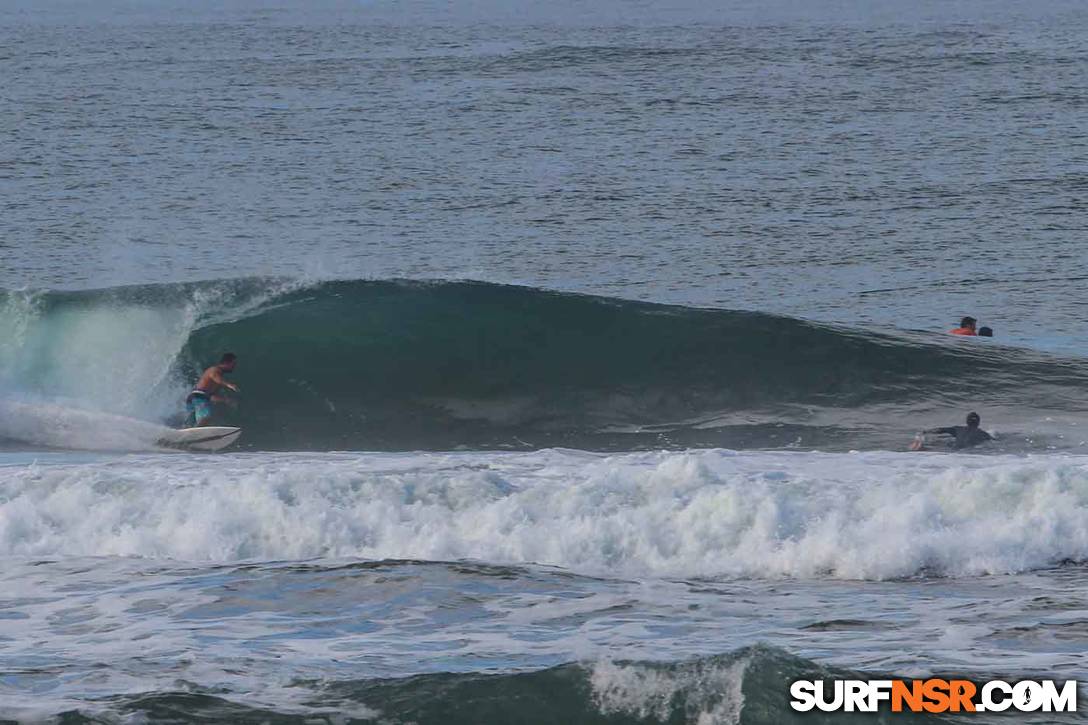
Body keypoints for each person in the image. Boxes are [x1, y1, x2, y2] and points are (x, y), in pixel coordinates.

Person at [185, 353, 240, 427]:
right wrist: (229, 385)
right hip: (199, 397)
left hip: (194, 398)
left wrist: (226, 400)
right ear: (227, 363)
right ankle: (195, 436)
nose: (234, 366)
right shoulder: (214, 370)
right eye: (233, 363)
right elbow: (215, 377)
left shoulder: (218, 378)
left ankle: (184, 435)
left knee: (192, 423)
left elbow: (211, 396)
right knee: (205, 418)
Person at [919, 411, 993, 450]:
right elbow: (994, 442)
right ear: (978, 423)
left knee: (944, 443)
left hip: (954, 450)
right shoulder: (984, 434)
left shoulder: (958, 429)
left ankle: (925, 446)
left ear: (967, 422)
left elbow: (940, 430)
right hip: (968, 453)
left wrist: (926, 431)